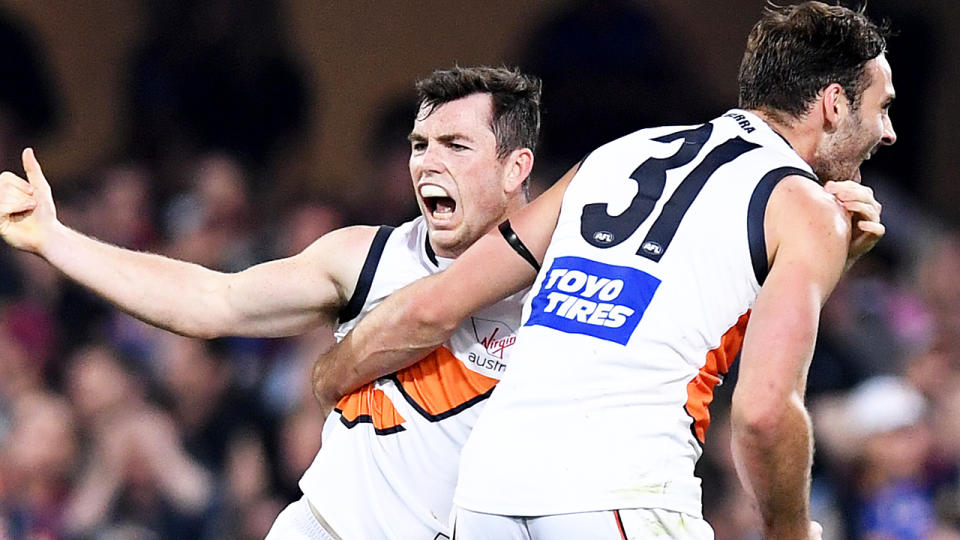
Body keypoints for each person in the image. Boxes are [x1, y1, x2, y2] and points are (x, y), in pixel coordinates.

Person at [312, 3, 894, 539]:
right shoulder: (808, 210)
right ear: (834, 104)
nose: (888, 132)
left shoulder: (617, 154)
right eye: (882, 107)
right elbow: (765, 414)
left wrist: (330, 375)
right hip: (620, 488)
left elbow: (435, 303)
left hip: (488, 492)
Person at [0, 66, 540, 539]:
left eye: (456, 145)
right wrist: (56, 240)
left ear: (515, 168)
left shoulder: (564, 285)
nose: (427, 163)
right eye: (420, 145)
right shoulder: (367, 255)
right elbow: (210, 300)